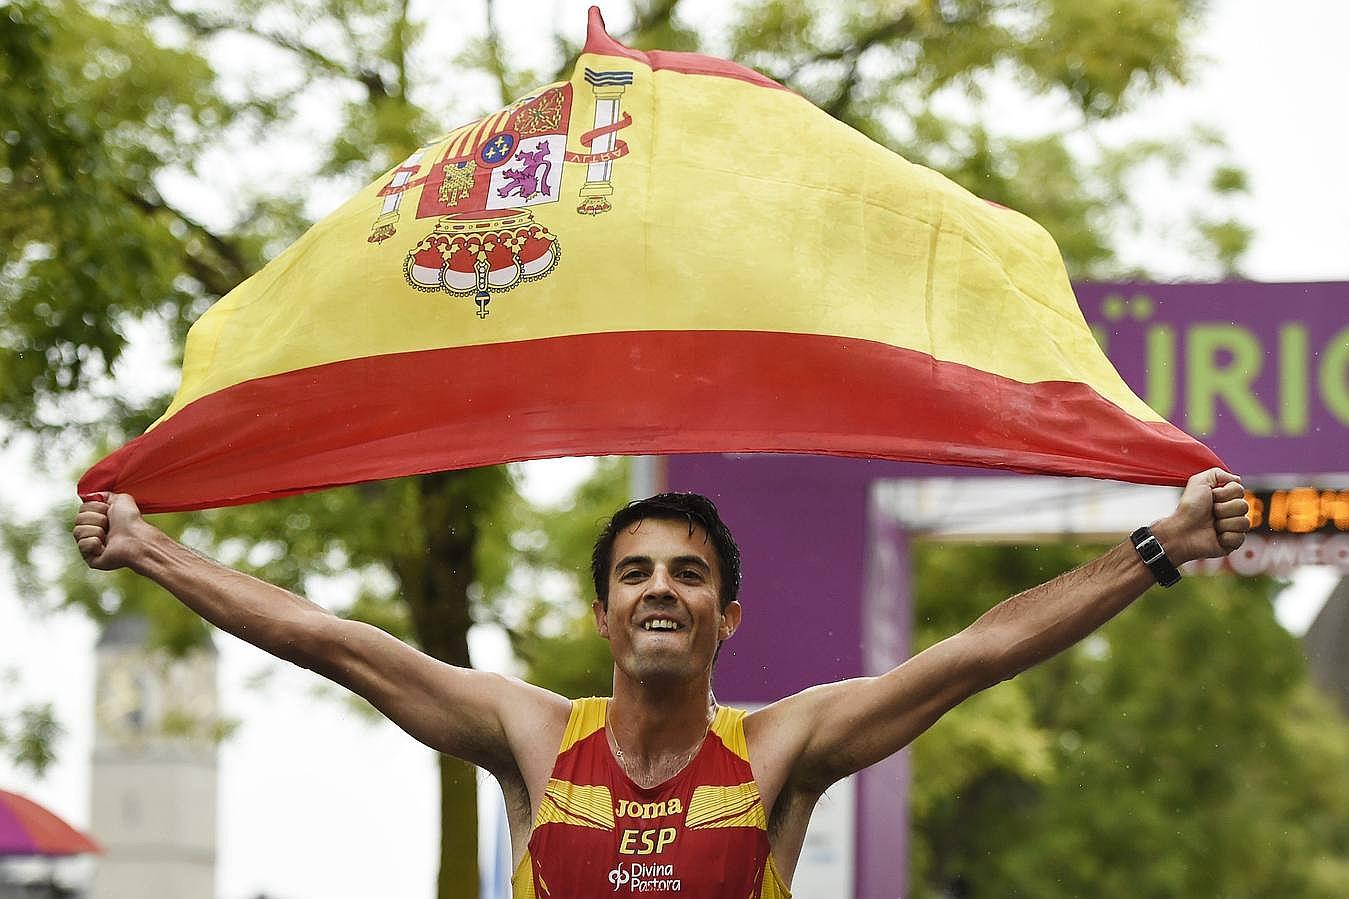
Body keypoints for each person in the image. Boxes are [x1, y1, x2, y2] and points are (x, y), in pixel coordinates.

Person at [73, 468, 1249, 897]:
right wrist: (148, 547)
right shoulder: (531, 735)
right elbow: (327, 638)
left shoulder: (779, 748)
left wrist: (1160, 546)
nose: (657, 588)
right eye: (633, 571)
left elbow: (976, 652)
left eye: (687, 573)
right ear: (601, 611)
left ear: (725, 615)